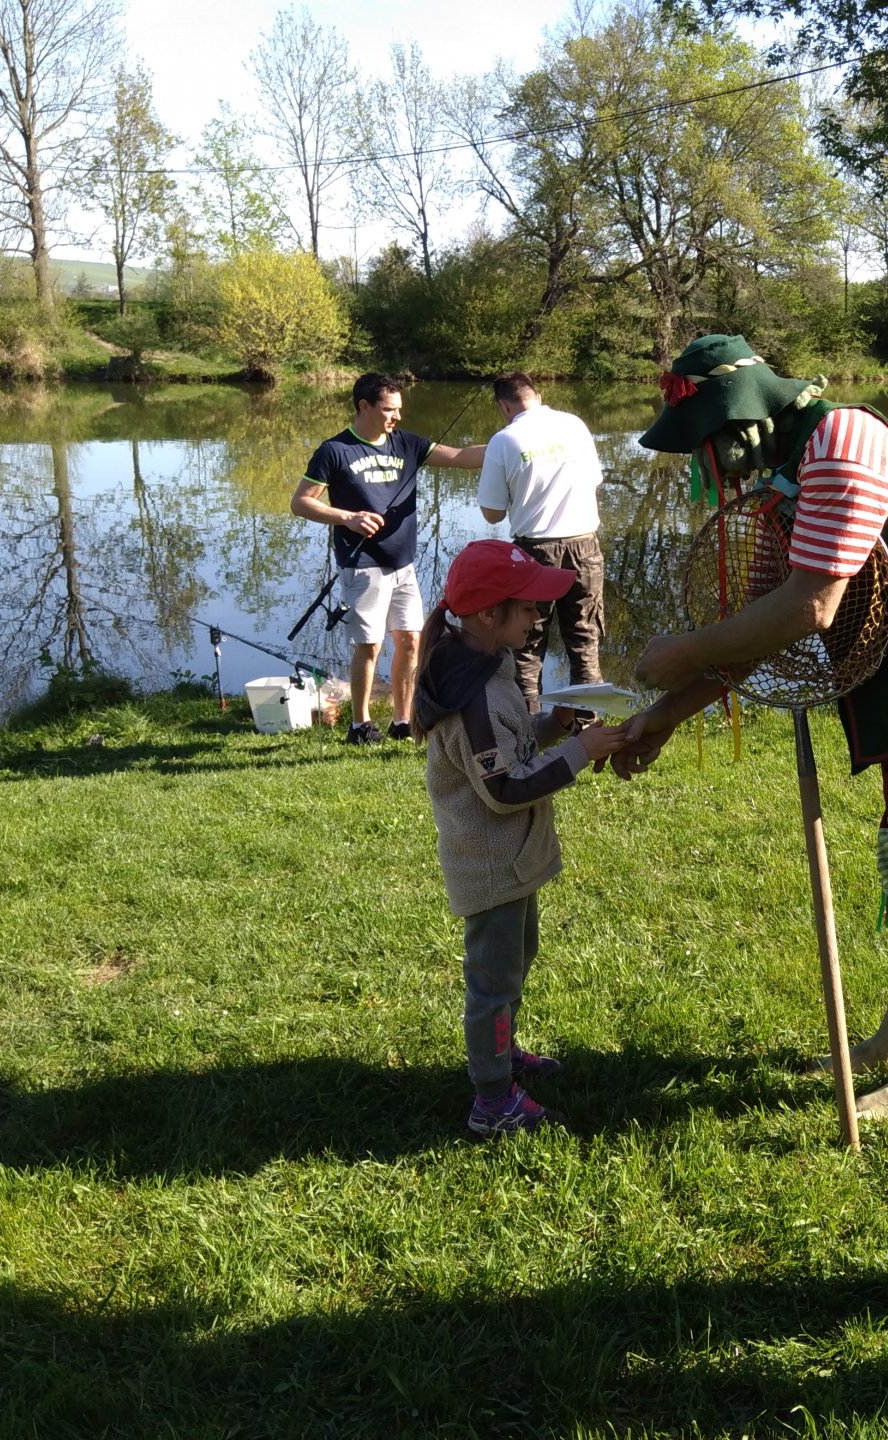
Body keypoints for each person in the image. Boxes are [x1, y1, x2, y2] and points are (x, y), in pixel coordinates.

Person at [618, 334, 888, 1122]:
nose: (710, 468)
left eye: (704, 445)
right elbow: (761, 629)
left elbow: (811, 605)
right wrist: (664, 718)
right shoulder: (785, 474)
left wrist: (682, 652)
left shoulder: (842, 440)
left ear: (737, 420)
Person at [412, 539, 630, 1136]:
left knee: (517, 960)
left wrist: (553, 723)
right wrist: (580, 752)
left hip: (513, 862)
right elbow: (504, 787)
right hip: (492, 869)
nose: (540, 619)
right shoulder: (473, 695)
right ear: (489, 615)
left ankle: (501, 1058)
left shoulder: (489, 665)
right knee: (493, 981)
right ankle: (492, 1101)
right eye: (529, 607)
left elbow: (511, 747)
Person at [292, 372, 487, 745]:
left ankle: (402, 720)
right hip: (363, 565)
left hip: (403, 564)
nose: (396, 417)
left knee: (412, 640)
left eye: (399, 409)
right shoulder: (335, 451)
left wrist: (510, 446)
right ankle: (359, 724)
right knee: (369, 645)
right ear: (364, 406)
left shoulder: (407, 444)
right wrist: (347, 517)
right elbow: (301, 502)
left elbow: (462, 456)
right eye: (388, 409)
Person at [475, 372, 607, 710]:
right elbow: (595, 480)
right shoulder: (575, 424)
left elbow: (492, 513)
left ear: (504, 406)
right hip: (585, 545)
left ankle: (527, 732)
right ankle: (589, 732)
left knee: (526, 645)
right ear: (537, 394)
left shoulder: (504, 441)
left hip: (534, 553)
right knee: (585, 641)